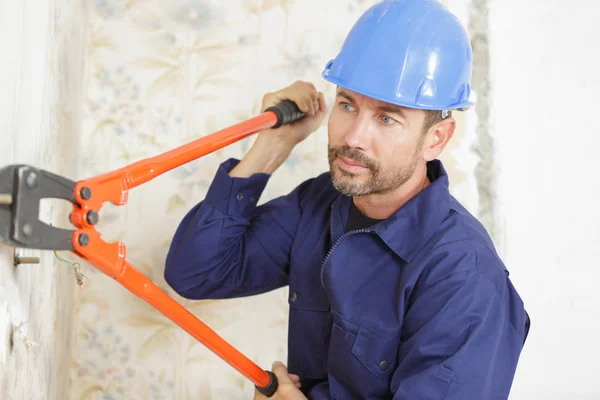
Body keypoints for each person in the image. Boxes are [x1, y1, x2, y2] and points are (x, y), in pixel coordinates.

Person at [164, 0, 531, 398]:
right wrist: (271, 146)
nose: (353, 137)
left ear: (436, 138)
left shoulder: (465, 277)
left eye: (386, 118)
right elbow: (197, 272)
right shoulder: (320, 203)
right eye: (347, 105)